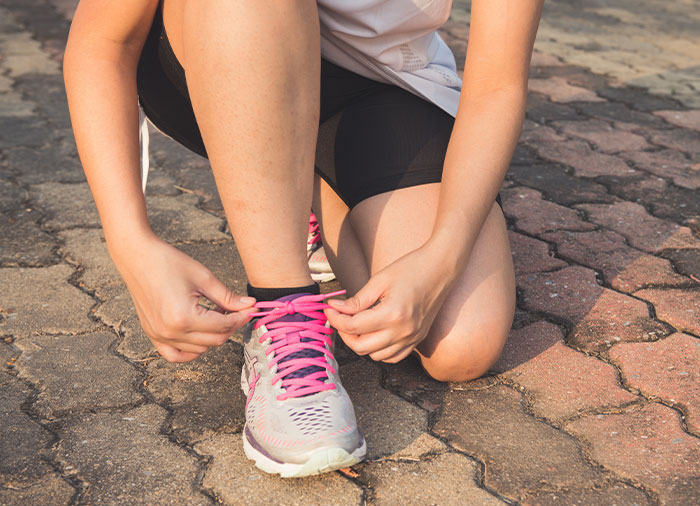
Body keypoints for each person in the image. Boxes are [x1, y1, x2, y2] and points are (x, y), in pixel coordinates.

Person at [63, 0, 543, 477]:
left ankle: (296, 190)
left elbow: (498, 84)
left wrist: (442, 257)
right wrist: (129, 242)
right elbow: (102, 42)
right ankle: (283, 311)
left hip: (379, 81)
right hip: (220, 41)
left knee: (460, 344)